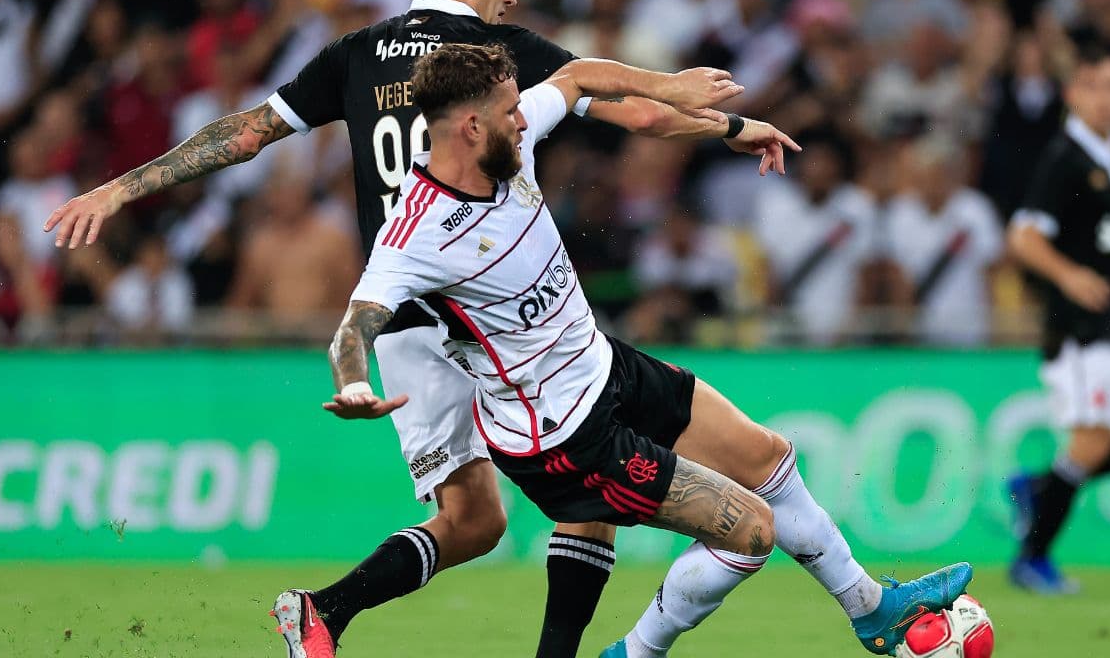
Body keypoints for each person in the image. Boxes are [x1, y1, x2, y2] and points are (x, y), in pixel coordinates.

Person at [43, 0, 781, 658]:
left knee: (481, 519)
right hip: (479, 299)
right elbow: (643, 113)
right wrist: (730, 125)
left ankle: (323, 612)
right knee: (573, 457)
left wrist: (120, 189)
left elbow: (245, 133)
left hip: (401, 319)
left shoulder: (356, 53)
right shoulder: (498, 58)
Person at [330, 43, 972, 658]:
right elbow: (355, 326)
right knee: (751, 533)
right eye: (509, 112)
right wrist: (355, 383)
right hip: (559, 434)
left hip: (603, 366)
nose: (524, 118)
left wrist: (691, 101)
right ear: (469, 126)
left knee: (769, 457)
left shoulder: (509, 144)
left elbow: (578, 76)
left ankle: (871, 609)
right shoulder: (414, 233)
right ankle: (635, 654)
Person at [1007, 45, 1110, 593]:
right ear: (1073, 95)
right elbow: (1024, 236)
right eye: (1094, 87)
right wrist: (1067, 275)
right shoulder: (1066, 159)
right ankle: (1032, 557)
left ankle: (1041, 486)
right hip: (1080, 332)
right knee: (1091, 446)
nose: (1106, 99)